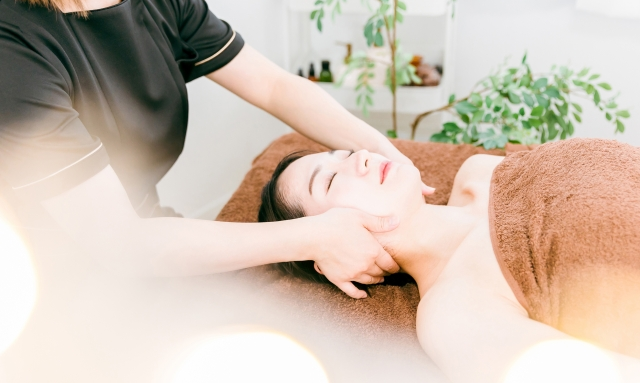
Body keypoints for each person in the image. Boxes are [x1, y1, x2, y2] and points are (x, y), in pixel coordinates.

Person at [0, 0, 435, 299]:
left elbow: (273, 86)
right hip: (61, 280)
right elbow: (120, 243)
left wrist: (388, 154)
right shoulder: (14, 53)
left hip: (151, 233)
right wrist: (313, 237)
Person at [258, 139, 640, 382]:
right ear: (328, 248)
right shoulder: (452, 313)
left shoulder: (478, 170)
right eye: (328, 181)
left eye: (343, 153)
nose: (360, 157)